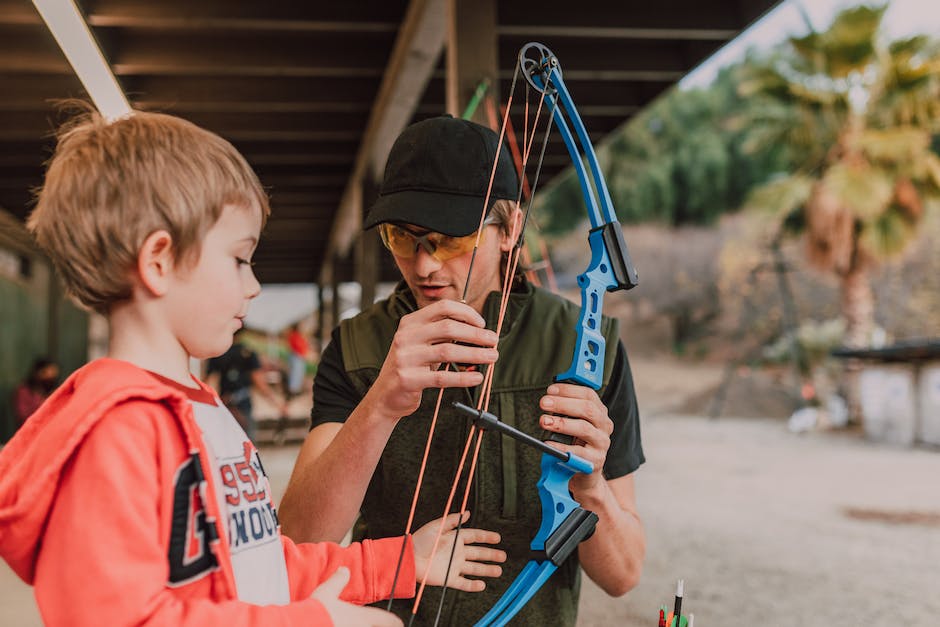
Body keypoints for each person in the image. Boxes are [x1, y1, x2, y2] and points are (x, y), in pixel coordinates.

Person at [0, 108, 505, 626]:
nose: (253, 285)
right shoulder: (118, 430)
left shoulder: (197, 410)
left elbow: (259, 565)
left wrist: (400, 563)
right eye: (239, 259)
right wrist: (319, 622)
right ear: (159, 261)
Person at [279, 116, 646, 626]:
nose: (425, 265)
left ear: (510, 228)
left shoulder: (588, 345)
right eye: (402, 238)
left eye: (449, 239)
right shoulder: (356, 346)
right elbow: (298, 542)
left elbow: (622, 575)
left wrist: (592, 489)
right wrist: (381, 401)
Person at [206, 329, 287, 442]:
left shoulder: (217, 353)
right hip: (243, 404)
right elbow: (259, 381)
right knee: (247, 443)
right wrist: (277, 403)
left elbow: (210, 382)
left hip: (225, 402)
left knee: (225, 442)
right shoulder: (248, 352)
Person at [12, 358, 59, 426]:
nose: (49, 377)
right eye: (45, 373)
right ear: (38, 372)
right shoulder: (24, 391)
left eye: (52, 374)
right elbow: (23, 415)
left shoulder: (55, 390)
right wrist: (43, 404)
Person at [285, 323, 311, 398]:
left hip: (299, 356)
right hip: (297, 356)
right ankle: (293, 390)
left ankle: (295, 389)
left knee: (298, 373)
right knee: (295, 373)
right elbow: (298, 346)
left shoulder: (297, 335)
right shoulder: (294, 335)